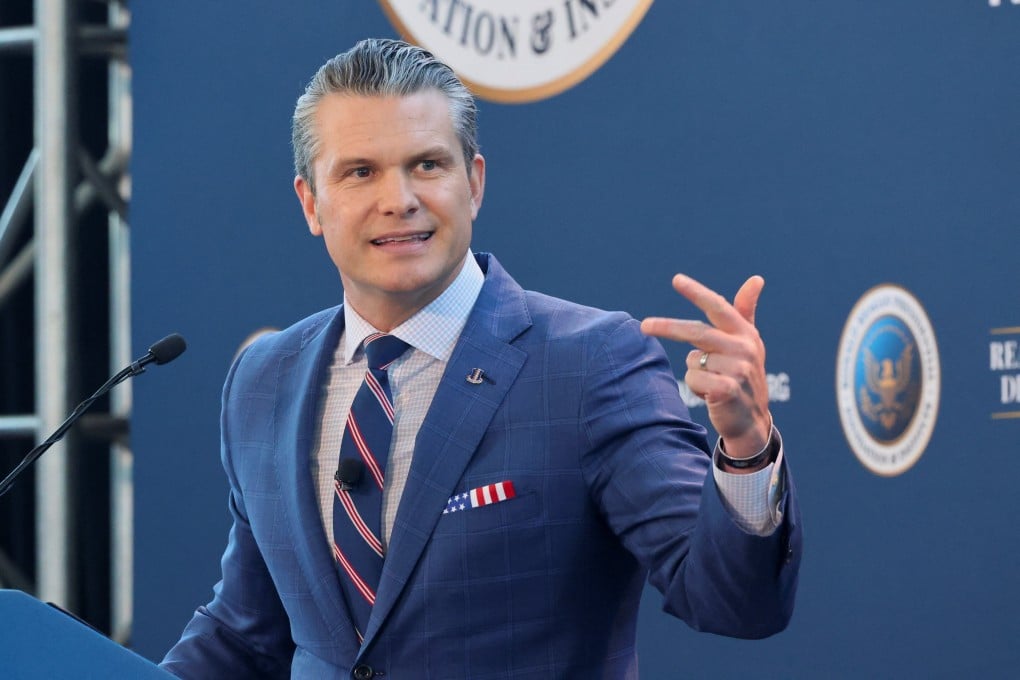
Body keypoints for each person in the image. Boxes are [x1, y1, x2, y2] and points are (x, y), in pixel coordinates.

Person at [161, 38, 801, 679]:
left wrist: (745, 446)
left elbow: (732, 601)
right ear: (310, 202)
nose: (400, 198)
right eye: (360, 172)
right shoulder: (265, 378)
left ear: (474, 182)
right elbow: (248, 639)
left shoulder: (587, 364)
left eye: (427, 165)